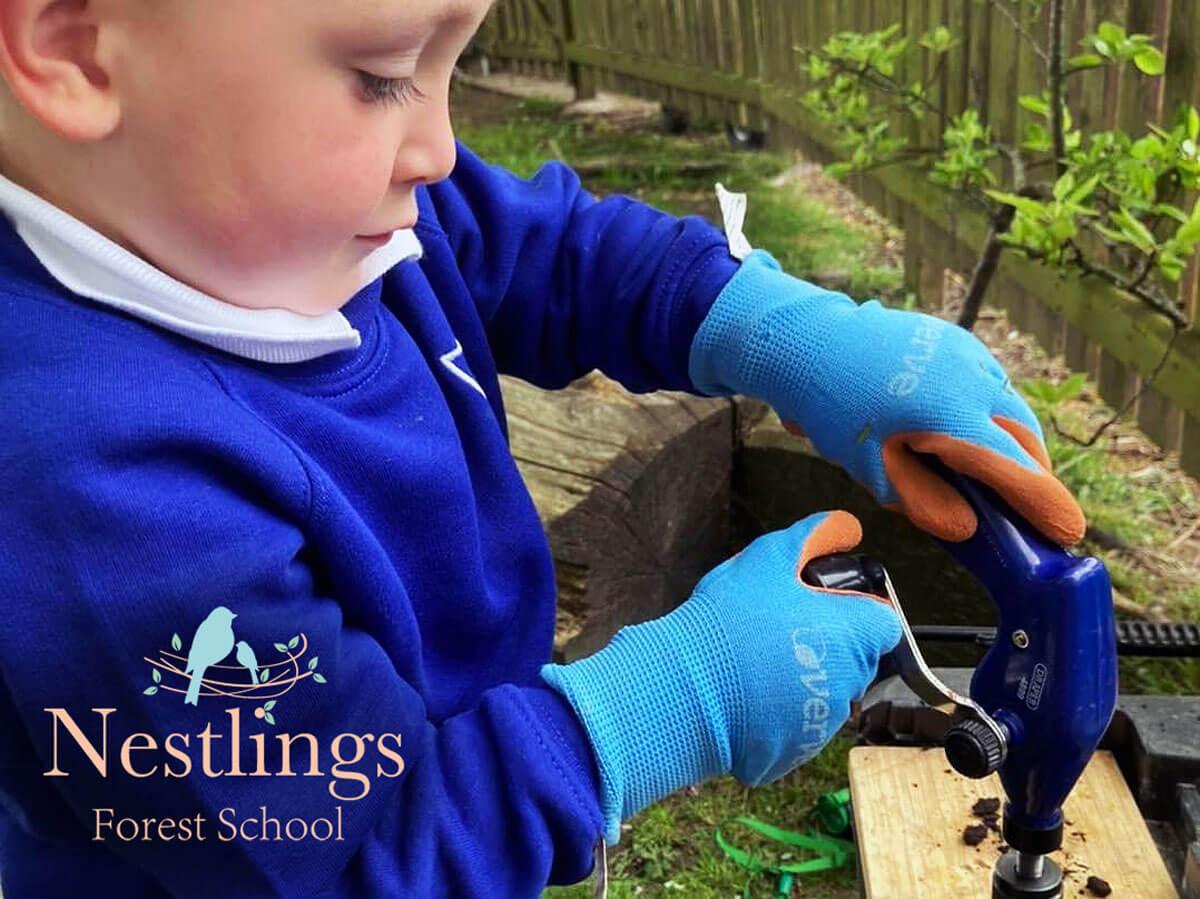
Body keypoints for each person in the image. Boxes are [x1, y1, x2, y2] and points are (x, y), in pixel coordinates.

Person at [0, 1, 1086, 896]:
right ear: (73, 43)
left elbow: (547, 251)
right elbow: (357, 854)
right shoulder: (89, 486)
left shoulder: (309, 215)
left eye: (448, 67)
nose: (436, 145)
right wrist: (660, 708)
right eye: (382, 76)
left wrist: (775, 329)